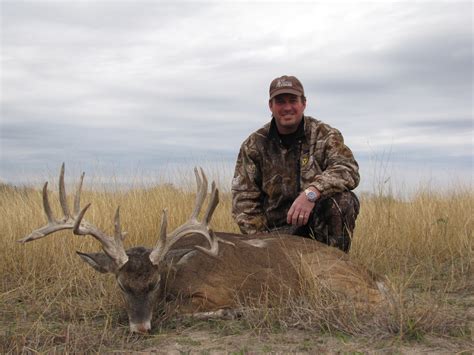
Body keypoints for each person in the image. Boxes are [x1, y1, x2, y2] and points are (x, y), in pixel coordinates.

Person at [231, 75, 360, 253]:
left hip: (317, 228)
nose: (287, 108)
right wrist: (261, 245)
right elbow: (244, 201)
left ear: (304, 103)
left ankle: (335, 264)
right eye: (280, 102)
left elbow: (348, 169)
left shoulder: (324, 134)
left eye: (293, 100)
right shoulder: (253, 145)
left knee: (344, 201)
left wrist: (312, 193)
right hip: (274, 236)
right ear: (271, 105)